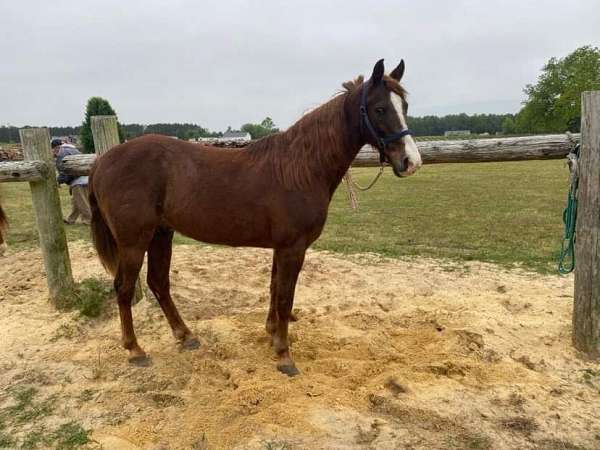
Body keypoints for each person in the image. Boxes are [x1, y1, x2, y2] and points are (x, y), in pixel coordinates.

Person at [51, 139, 92, 225]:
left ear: (56, 148)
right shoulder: (73, 149)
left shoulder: (62, 153)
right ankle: (71, 219)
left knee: (82, 202)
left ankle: (89, 219)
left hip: (78, 181)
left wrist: (59, 180)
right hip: (86, 178)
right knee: (76, 201)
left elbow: (65, 170)